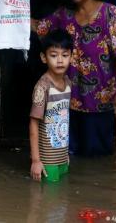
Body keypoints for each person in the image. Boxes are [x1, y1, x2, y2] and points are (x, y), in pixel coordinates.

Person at [32, 0, 116, 156]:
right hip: (67, 104)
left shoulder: (109, 14)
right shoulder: (63, 15)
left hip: (100, 105)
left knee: (99, 164)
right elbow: (39, 27)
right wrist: (10, 15)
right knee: (68, 158)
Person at [30, 29, 73, 182]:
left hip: (62, 156)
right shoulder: (43, 87)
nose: (60, 60)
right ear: (44, 57)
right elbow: (34, 123)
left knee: (61, 199)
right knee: (49, 198)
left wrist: (64, 153)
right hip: (47, 161)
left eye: (65, 55)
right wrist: (36, 160)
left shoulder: (68, 83)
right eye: (54, 56)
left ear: (71, 57)